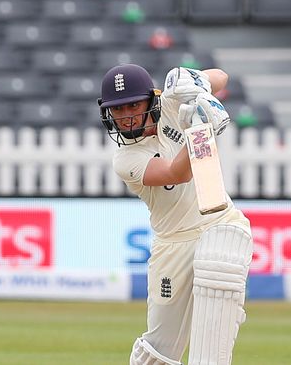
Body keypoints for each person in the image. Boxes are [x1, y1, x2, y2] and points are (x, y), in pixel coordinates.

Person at [98, 64, 253, 365]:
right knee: (158, 353)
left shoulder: (170, 103)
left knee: (219, 272)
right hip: (172, 244)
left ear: (151, 100)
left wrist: (196, 81)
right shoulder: (125, 158)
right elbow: (176, 173)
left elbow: (222, 77)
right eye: (117, 110)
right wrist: (201, 131)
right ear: (107, 114)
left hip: (218, 222)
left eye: (133, 105)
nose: (126, 115)